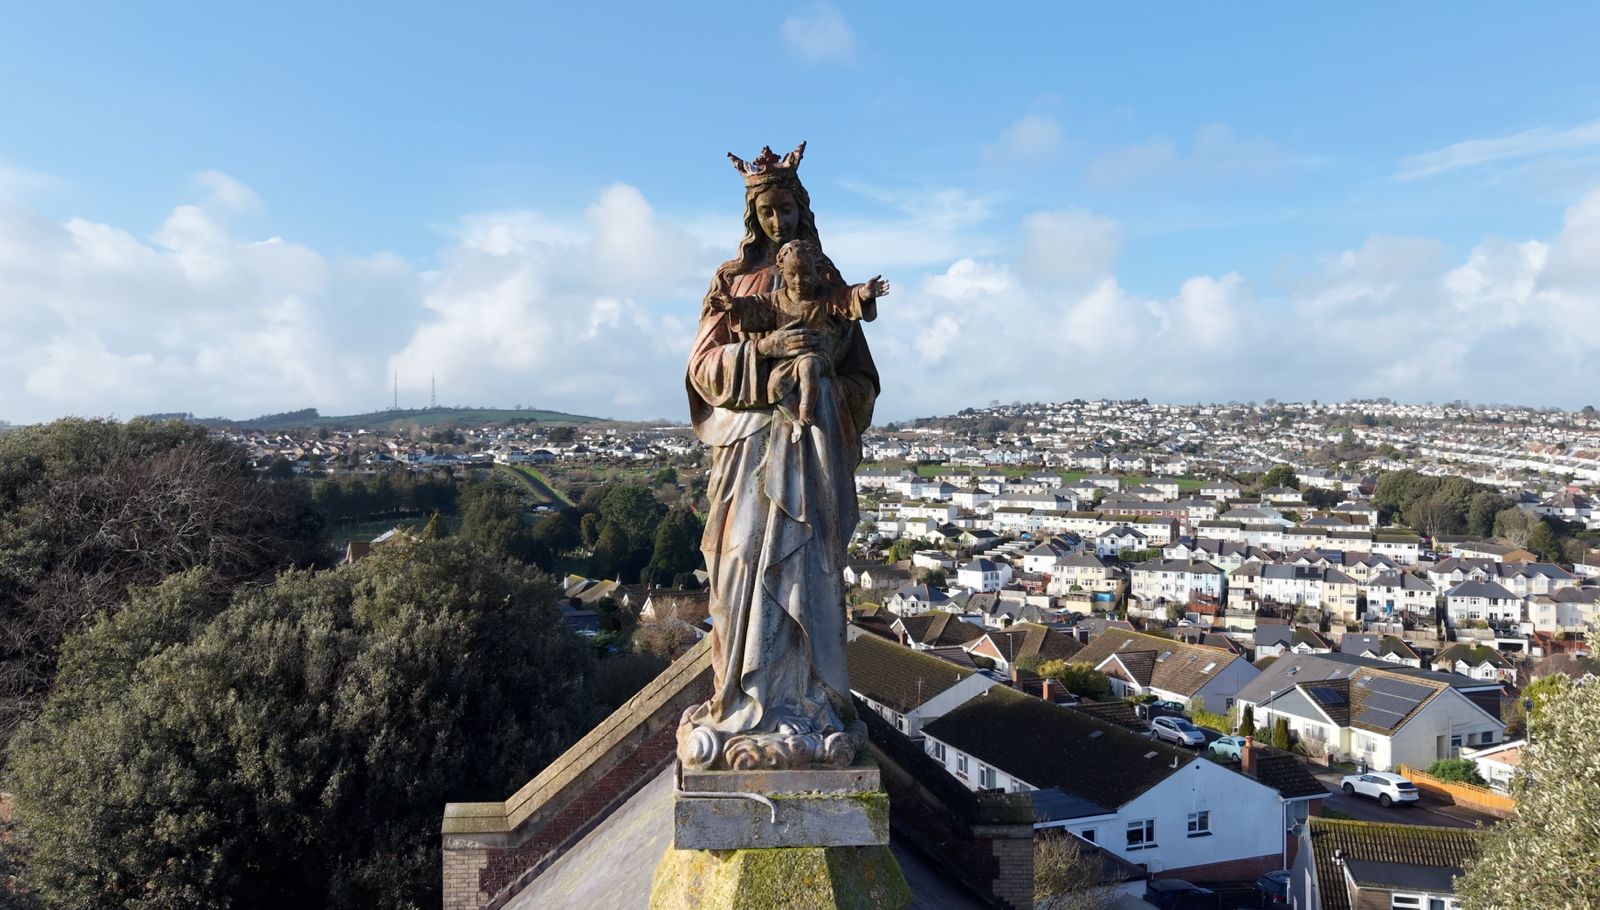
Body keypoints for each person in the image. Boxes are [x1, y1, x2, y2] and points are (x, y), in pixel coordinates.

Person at [678, 143, 881, 770]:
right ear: (752, 216)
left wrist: (819, 383)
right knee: (738, 563)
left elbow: (863, 380)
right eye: (767, 211)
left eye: (787, 209)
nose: (777, 222)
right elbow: (702, 369)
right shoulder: (731, 282)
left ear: (802, 211)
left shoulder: (825, 280)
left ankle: (812, 703)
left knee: (810, 574)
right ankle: (739, 699)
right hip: (747, 449)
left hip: (809, 452)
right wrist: (763, 359)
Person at [709, 237, 889, 433]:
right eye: (792, 274)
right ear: (782, 272)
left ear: (817, 272)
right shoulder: (776, 300)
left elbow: (847, 298)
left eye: (805, 274)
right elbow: (756, 305)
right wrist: (734, 305)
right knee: (775, 385)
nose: (798, 281)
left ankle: (806, 412)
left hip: (817, 357)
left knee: (807, 366)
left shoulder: (826, 297)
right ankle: (794, 419)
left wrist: (863, 293)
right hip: (785, 362)